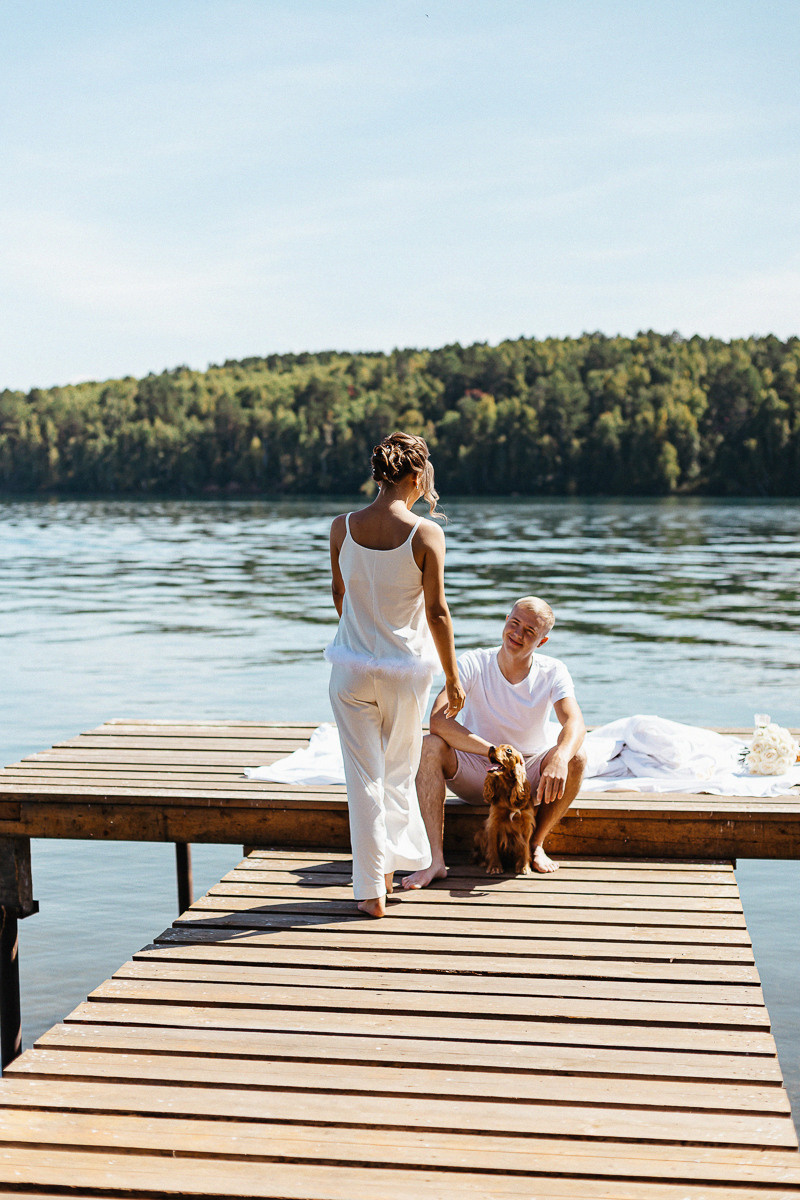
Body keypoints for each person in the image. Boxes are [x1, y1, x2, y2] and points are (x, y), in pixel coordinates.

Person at [326, 432, 465, 918]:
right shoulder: (425, 533)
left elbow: (340, 598)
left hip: (350, 671)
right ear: (416, 475)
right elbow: (438, 613)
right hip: (405, 673)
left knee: (362, 778)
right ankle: (381, 877)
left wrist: (363, 631)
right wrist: (453, 677)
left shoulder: (341, 527)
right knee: (398, 774)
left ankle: (373, 888)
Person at [402, 596, 586, 888]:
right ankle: (435, 860)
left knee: (576, 757)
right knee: (429, 746)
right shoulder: (474, 663)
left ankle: (535, 844)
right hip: (479, 769)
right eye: (514, 624)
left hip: (529, 773)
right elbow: (438, 720)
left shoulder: (553, 670)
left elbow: (574, 721)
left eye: (529, 631)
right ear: (505, 621)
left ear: (542, 641)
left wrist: (560, 758)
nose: (518, 634)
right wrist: (491, 751)